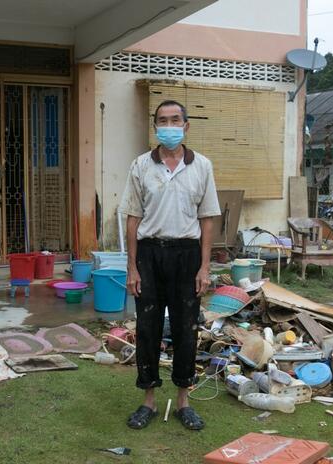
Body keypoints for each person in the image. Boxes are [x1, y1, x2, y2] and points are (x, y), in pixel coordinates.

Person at [119, 100, 220, 431]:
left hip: (187, 255)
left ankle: (183, 401)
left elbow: (207, 220)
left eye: (175, 120)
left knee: (185, 329)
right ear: (156, 127)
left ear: (186, 126)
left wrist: (204, 267)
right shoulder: (141, 166)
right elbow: (132, 218)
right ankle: (147, 400)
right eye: (163, 120)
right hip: (149, 254)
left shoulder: (202, 166)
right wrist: (132, 267)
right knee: (147, 329)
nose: (169, 125)